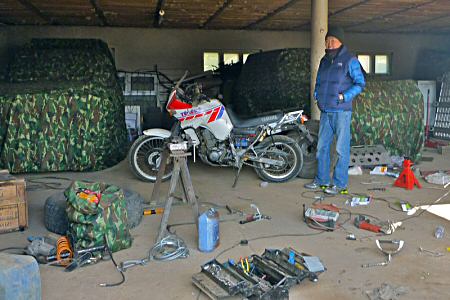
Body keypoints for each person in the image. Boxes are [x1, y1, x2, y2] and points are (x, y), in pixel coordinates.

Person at [305, 26, 366, 195]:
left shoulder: (349, 60)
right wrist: (317, 95)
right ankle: (322, 180)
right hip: (326, 111)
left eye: (333, 40)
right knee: (322, 148)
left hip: (341, 112)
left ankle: (340, 184)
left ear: (340, 41)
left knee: (341, 149)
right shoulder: (324, 60)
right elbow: (318, 82)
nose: (329, 43)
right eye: (327, 40)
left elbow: (360, 83)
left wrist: (344, 97)